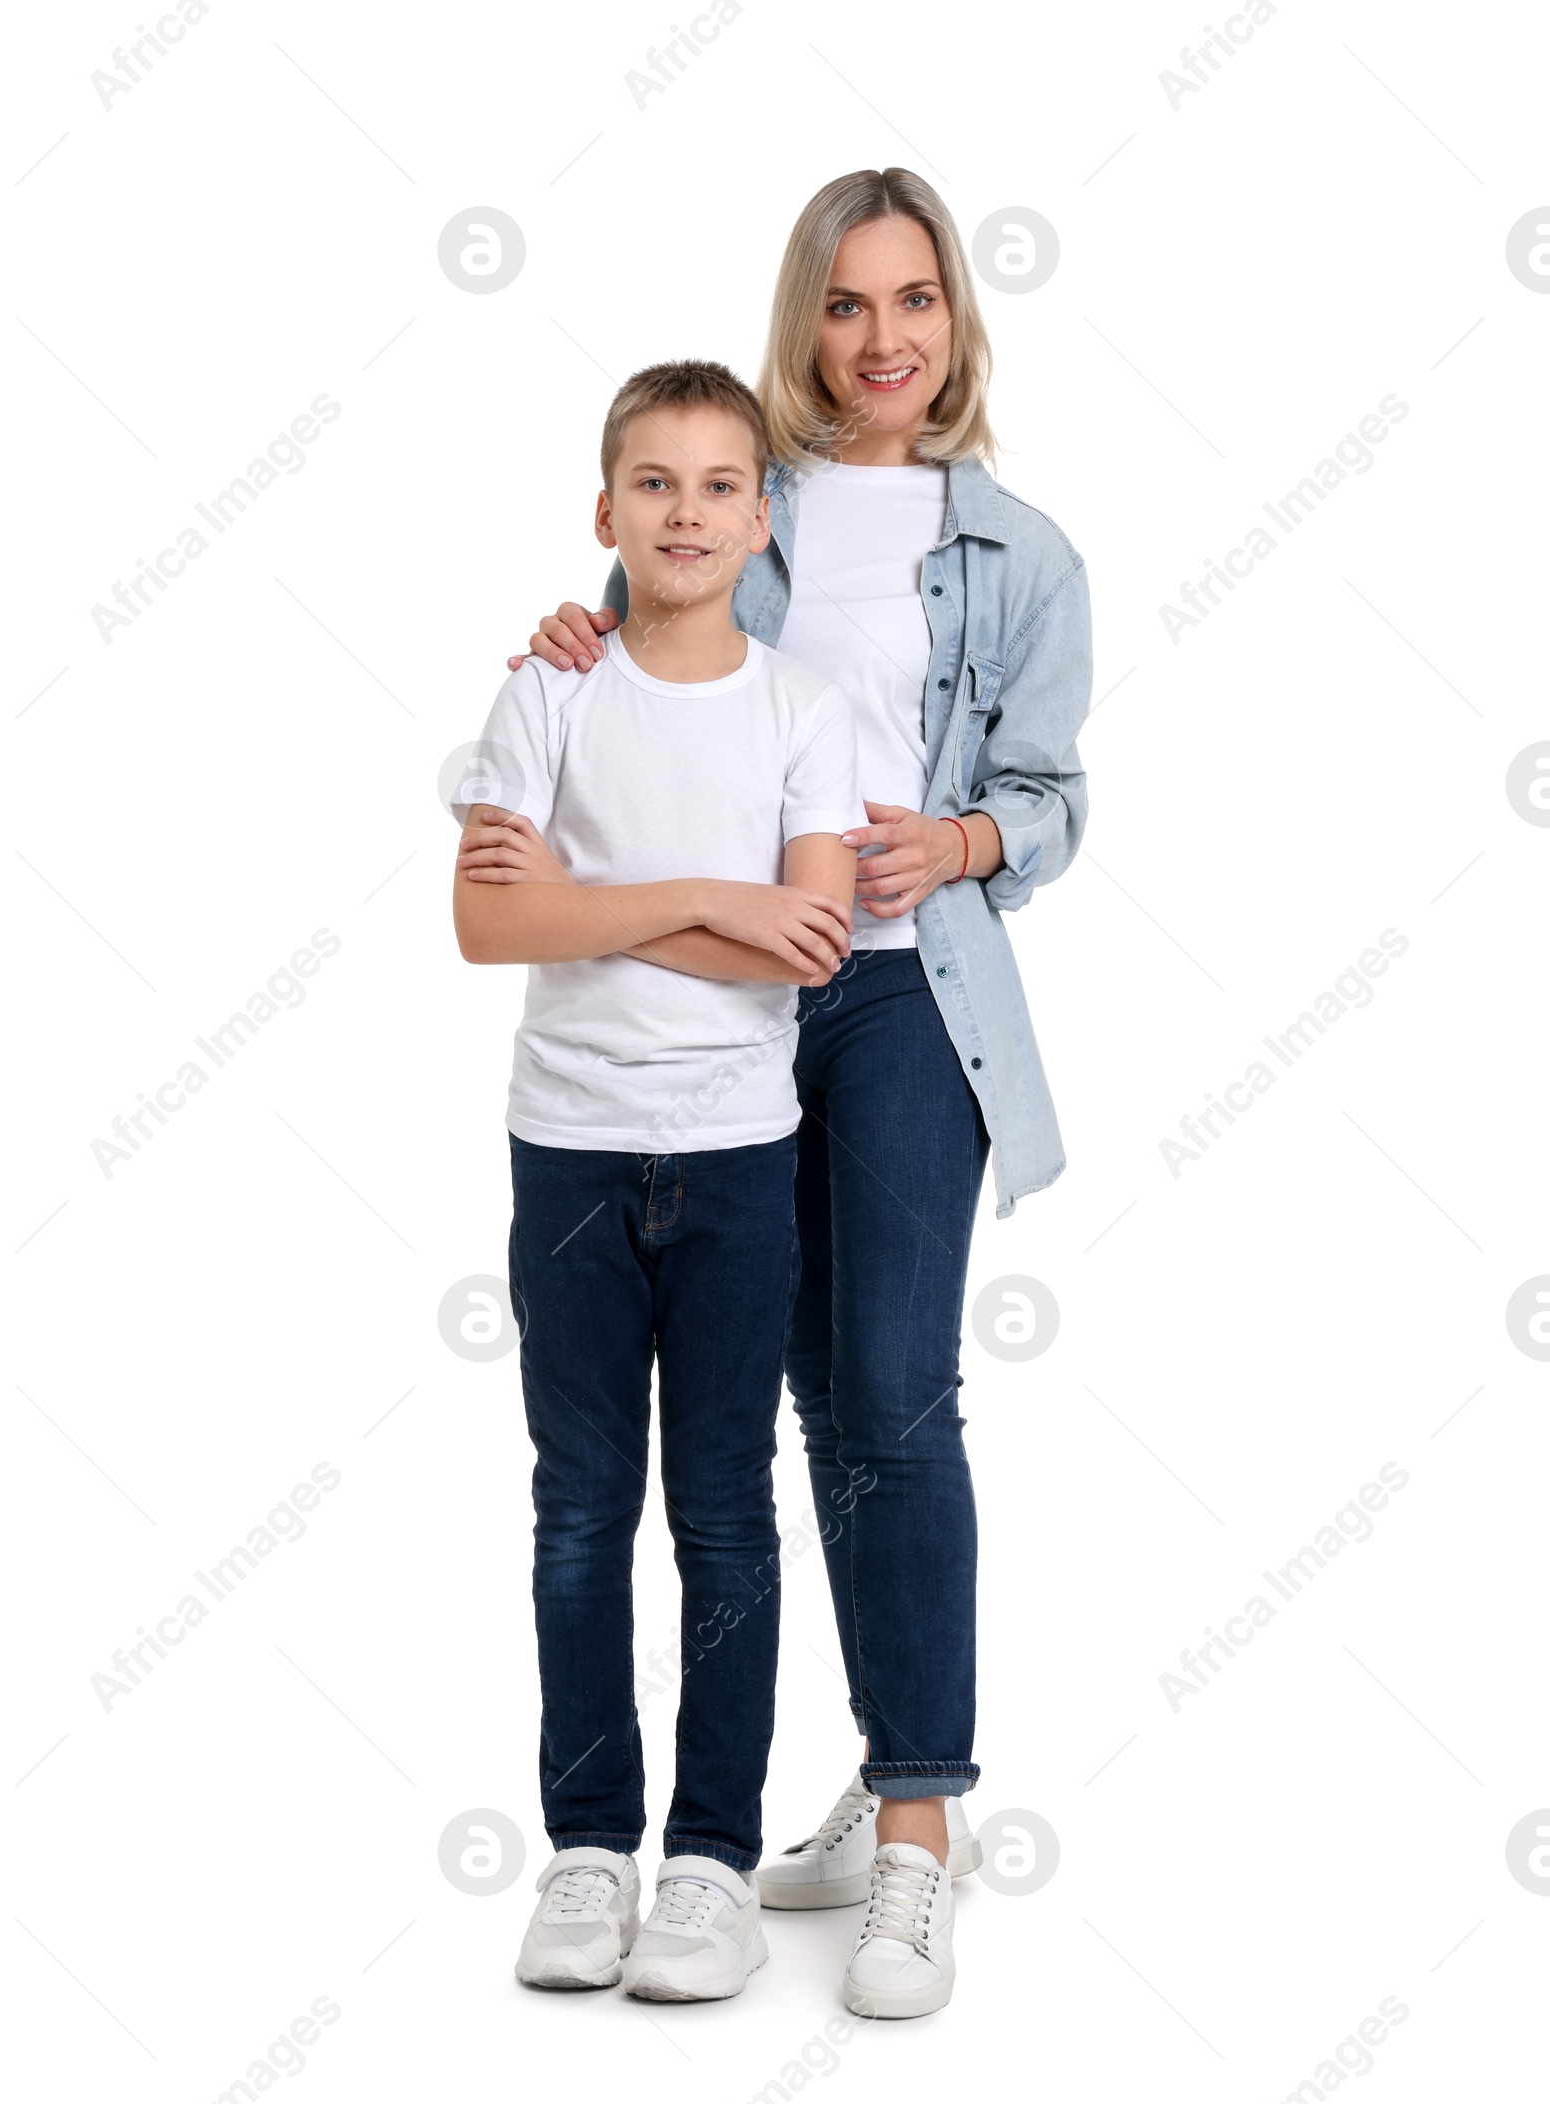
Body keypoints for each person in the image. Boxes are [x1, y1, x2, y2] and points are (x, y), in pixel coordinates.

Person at [506, 168, 1092, 2019]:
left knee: (898, 1399)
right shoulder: (735, 502)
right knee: (780, 1407)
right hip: (738, 1019)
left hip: (915, 1000)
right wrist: (564, 642)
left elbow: (1060, 799)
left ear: (958, 322)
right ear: (804, 325)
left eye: (915, 300)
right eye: (847, 305)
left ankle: (920, 1830)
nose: (885, 338)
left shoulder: (1025, 555)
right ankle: (830, 1786)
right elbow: (629, 692)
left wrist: (975, 829)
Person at [451, 358, 862, 2002]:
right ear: (604, 508)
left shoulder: (799, 711)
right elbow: (491, 926)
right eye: (654, 483)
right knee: (577, 1507)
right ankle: (588, 1848)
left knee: (722, 1512)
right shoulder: (546, 692)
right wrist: (715, 897)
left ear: (760, 520)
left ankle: (706, 1862)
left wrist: (597, 895)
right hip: (567, 1147)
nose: (684, 513)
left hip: (737, 1158)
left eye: (717, 486)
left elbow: (812, 942)